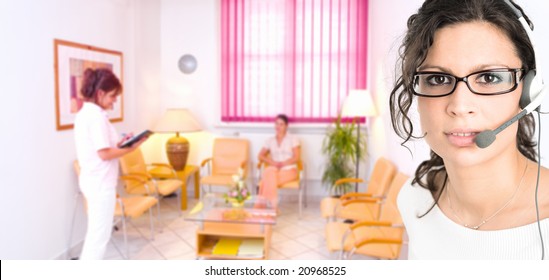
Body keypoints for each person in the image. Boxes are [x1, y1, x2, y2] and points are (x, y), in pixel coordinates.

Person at [389, 0, 548, 259]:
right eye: (437, 79)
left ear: (530, 91)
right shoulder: (414, 197)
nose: (460, 106)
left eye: (489, 77)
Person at [74, 68, 148, 260]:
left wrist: (123, 144)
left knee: (96, 235)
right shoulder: (96, 117)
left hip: (93, 179)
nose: (115, 100)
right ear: (100, 93)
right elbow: (104, 154)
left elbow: (104, 147)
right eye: (113, 96)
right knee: (99, 237)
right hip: (100, 183)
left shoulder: (87, 114)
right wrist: (131, 148)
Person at [257, 114, 300, 209]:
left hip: (289, 170)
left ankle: (261, 207)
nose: (278, 127)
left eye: (281, 124)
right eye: (276, 124)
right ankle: (274, 208)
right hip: (274, 169)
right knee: (269, 172)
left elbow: (297, 157)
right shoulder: (270, 140)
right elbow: (260, 155)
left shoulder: (293, 139)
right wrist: (272, 162)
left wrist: (283, 163)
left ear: (286, 126)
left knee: (266, 180)